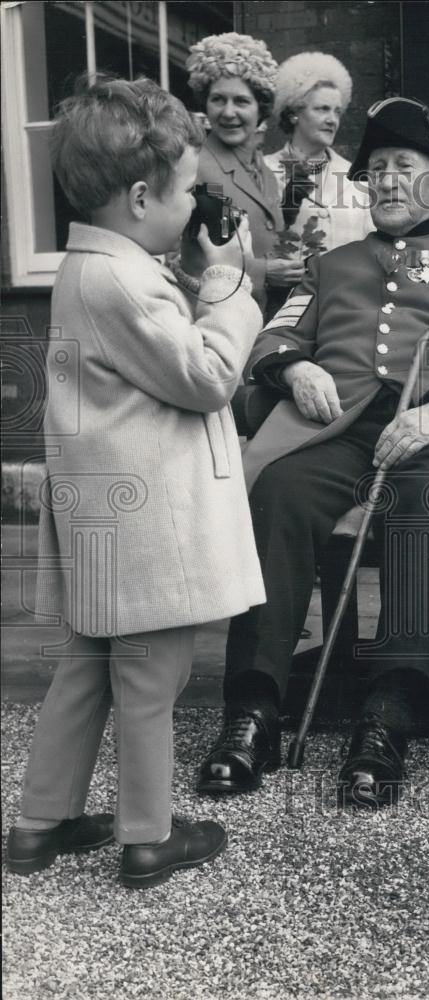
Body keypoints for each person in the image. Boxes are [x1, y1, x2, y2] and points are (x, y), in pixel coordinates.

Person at [197, 97, 429, 807]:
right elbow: (275, 335)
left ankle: (388, 716)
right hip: (335, 426)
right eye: (376, 169)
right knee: (279, 492)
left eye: (405, 167)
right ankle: (253, 710)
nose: (385, 181)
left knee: (421, 506)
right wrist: (292, 368)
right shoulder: (332, 264)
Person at [5, 78, 264, 887]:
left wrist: (188, 275)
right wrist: (225, 282)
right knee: (153, 677)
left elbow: (153, 351)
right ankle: (149, 836)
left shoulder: (96, 268)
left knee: (86, 669)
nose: (196, 207)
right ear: (144, 194)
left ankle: (37, 825)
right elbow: (206, 374)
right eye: (189, 191)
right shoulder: (124, 282)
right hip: (151, 527)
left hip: (106, 519)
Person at [180, 32, 304, 310]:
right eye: (218, 100)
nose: (228, 112)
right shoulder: (194, 167)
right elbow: (197, 258)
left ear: (261, 108)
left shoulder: (267, 173)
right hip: (217, 314)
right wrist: (265, 272)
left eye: (241, 101)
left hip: (263, 317)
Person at [264, 52, 372, 300]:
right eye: (323, 109)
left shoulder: (355, 176)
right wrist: (266, 271)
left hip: (345, 308)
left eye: (337, 111)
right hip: (282, 309)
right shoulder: (263, 171)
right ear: (294, 113)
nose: (332, 120)